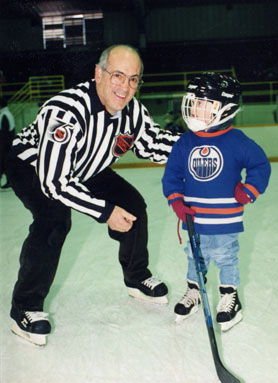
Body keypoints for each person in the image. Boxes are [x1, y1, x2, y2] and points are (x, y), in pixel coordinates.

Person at [7, 44, 181, 346]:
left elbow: (153, 143)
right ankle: (25, 307)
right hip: (34, 166)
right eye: (117, 75)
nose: (125, 87)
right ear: (99, 73)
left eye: (133, 79)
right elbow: (55, 183)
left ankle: (136, 277)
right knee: (54, 219)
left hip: (86, 166)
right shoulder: (66, 110)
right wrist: (106, 212)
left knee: (133, 204)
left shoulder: (133, 111)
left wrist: (195, 149)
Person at [162, 72, 271, 331]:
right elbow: (172, 176)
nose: (195, 108)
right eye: (194, 102)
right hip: (194, 217)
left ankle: (229, 297)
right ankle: (194, 291)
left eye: (203, 103)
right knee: (194, 256)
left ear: (225, 108)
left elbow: (260, 165)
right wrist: (177, 201)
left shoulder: (237, 141)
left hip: (225, 219)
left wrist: (249, 190)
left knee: (225, 257)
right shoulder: (185, 142)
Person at [0, 98, 15, 189]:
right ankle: (9, 181)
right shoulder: (8, 114)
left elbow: (3, 132)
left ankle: (9, 181)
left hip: (5, 144)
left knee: (3, 163)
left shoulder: (4, 115)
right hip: (8, 143)